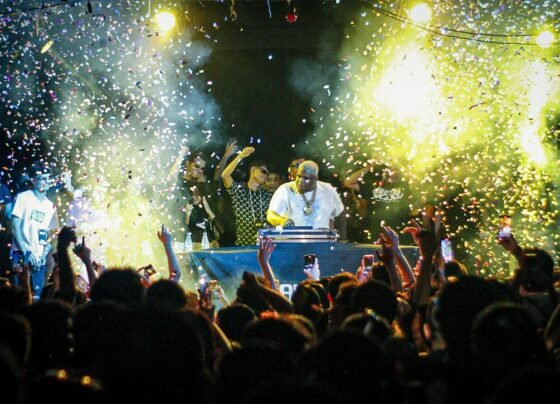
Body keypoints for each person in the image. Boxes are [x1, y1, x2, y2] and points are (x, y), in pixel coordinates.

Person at [10, 164, 59, 300]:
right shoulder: (23, 197)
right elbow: (15, 227)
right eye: (42, 178)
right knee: (19, 295)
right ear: (34, 180)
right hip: (20, 254)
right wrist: (26, 251)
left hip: (39, 258)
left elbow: (50, 234)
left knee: (37, 297)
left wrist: (44, 253)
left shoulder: (50, 206)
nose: (45, 181)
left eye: (48, 179)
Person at [343, 162, 411, 242]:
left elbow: (417, 180)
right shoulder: (375, 185)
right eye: (391, 166)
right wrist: (369, 167)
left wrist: (402, 166)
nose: (393, 168)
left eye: (395, 167)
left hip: (401, 236)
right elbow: (349, 182)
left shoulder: (407, 186)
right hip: (377, 235)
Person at [267, 160, 344, 229]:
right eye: (299, 176)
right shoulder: (285, 189)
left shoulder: (327, 189)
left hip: (320, 239)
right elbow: (271, 215)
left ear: (315, 179)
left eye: (305, 178)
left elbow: (340, 213)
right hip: (292, 239)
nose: (300, 180)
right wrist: (283, 221)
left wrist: (342, 238)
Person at [221, 146, 272, 246]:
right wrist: (241, 156)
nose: (266, 175)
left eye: (267, 173)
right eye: (263, 171)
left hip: (263, 247)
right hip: (243, 246)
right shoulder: (239, 191)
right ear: (253, 170)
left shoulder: (267, 195)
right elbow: (224, 176)